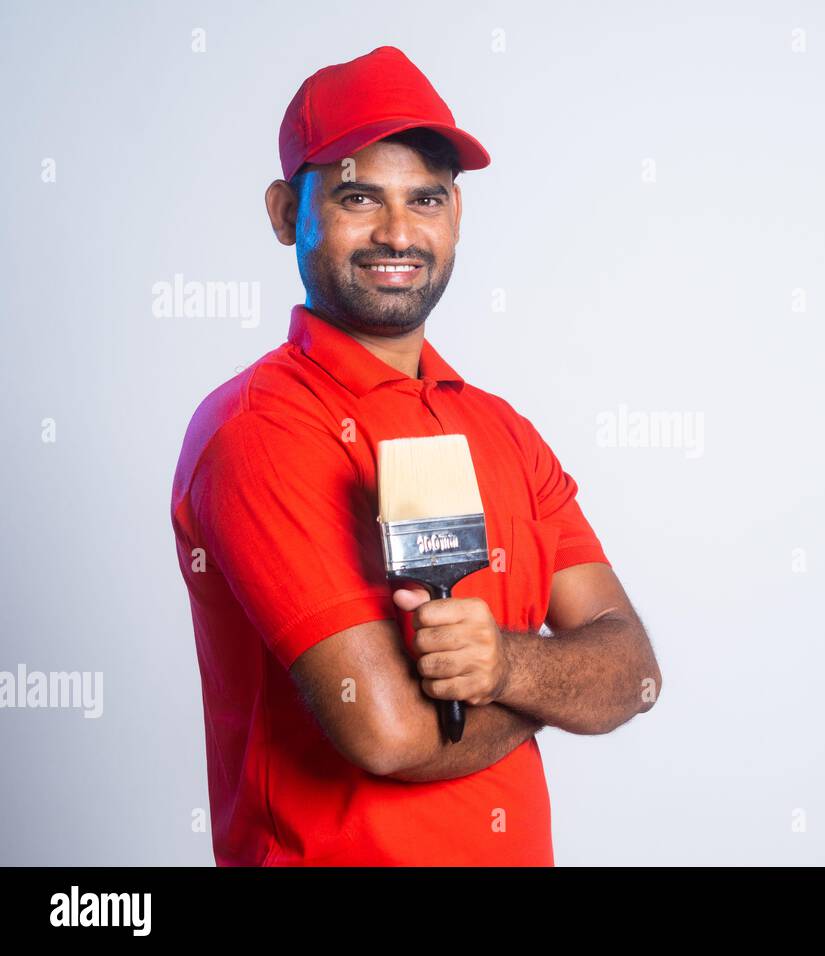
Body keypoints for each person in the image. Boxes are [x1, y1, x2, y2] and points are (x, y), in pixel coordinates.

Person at [170, 46, 662, 866]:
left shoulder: (502, 430)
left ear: (456, 217)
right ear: (285, 212)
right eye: (360, 197)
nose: (398, 233)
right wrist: (550, 689)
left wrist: (502, 663)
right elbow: (391, 731)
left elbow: (632, 667)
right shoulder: (258, 430)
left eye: (425, 199)